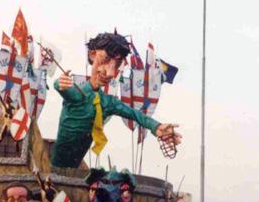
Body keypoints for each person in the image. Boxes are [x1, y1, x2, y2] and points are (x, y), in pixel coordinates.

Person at [50, 32, 181, 169]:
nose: (111, 73)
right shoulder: (78, 94)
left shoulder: (108, 102)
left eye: (117, 65)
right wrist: (60, 83)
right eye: (106, 60)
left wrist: (156, 126)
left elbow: (135, 114)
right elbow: (63, 88)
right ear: (92, 55)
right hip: (56, 167)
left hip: (73, 169)